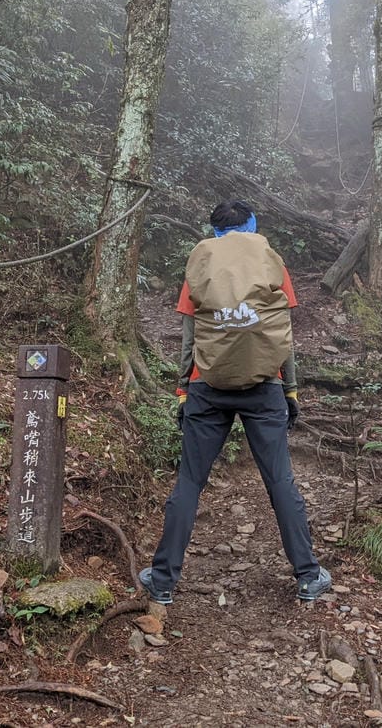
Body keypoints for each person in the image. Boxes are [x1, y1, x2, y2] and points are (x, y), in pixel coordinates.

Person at [139, 200, 331, 604]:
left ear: (214, 230)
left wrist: (182, 390)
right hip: (265, 386)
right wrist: (290, 388)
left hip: (206, 386)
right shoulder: (269, 261)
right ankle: (308, 575)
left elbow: (190, 340)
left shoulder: (202, 266)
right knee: (280, 479)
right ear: (251, 225)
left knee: (190, 481)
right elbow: (283, 336)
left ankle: (163, 580)